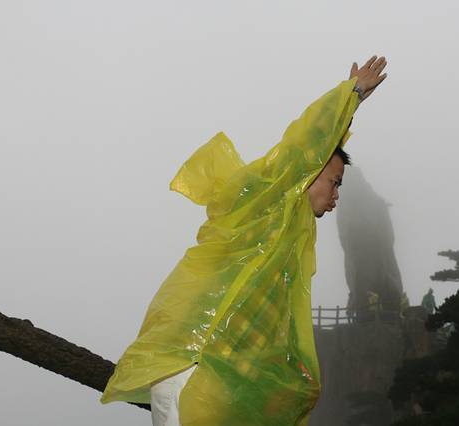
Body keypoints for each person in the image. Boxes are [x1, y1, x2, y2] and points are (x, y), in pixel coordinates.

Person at [101, 55, 388, 426]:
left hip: (215, 375)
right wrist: (351, 95)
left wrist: (344, 117)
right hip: (196, 364)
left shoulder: (289, 231)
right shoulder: (269, 205)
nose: (336, 196)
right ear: (308, 173)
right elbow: (302, 148)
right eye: (334, 183)